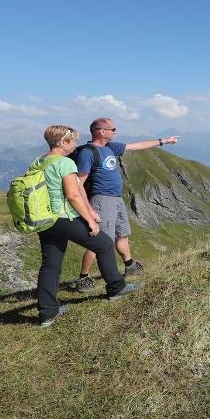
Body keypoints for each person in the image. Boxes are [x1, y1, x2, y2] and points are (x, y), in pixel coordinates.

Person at [33, 125, 143, 326]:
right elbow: (74, 195)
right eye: (72, 141)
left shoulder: (39, 161)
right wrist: (90, 219)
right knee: (104, 244)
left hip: (43, 219)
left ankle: (48, 313)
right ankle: (116, 288)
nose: (75, 144)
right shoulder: (64, 163)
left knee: (50, 265)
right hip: (62, 216)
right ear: (62, 143)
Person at [73, 117, 178, 292]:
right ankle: (83, 278)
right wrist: (89, 209)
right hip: (102, 200)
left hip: (116, 198)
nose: (116, 131)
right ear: (101, 131)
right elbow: (79, 183)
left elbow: (136, 146)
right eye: (113, 129)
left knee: (122, 234)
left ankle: (130, 266)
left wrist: (164, 141)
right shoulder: (88, 152)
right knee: (100, 240)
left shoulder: (110, 148)